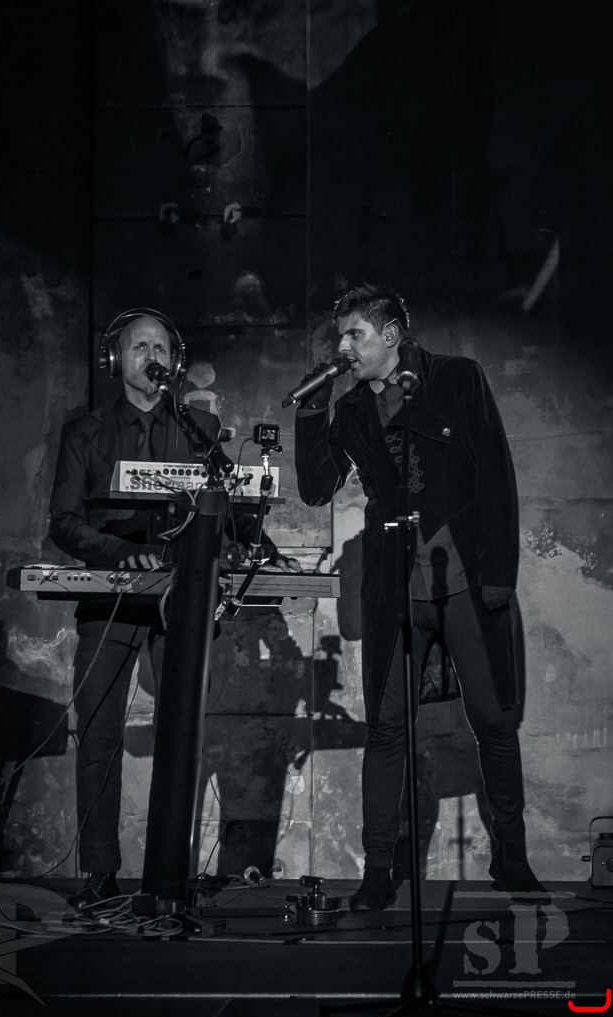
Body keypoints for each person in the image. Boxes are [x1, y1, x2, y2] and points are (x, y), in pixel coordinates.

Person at [293, 284, 543, 910]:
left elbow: (496, 474)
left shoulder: (456, 378)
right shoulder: (351, 407)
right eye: (340, 337)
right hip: (395, 587)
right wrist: (311, 413)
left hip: (464, 579)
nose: (344, 347)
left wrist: (499, 576)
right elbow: (317, 489)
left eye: (355, 334)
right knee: (386, 728)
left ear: (390, 334)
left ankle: (512, 857)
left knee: (494, 721)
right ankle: (378, 870)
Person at [49, 311, 298, 911]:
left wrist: (259, 544)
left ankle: (169, 873)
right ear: (116, 359)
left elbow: (227, 506)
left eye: (161, 348)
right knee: (100, 734)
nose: (152, 357)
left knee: (181, 733)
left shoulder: (200, 428)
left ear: (174, 360)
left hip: (181, 596)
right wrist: (123, 553)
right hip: (108, 598)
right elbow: (64, 522)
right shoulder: (86, 432)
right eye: (140, 347)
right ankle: (101, 872)